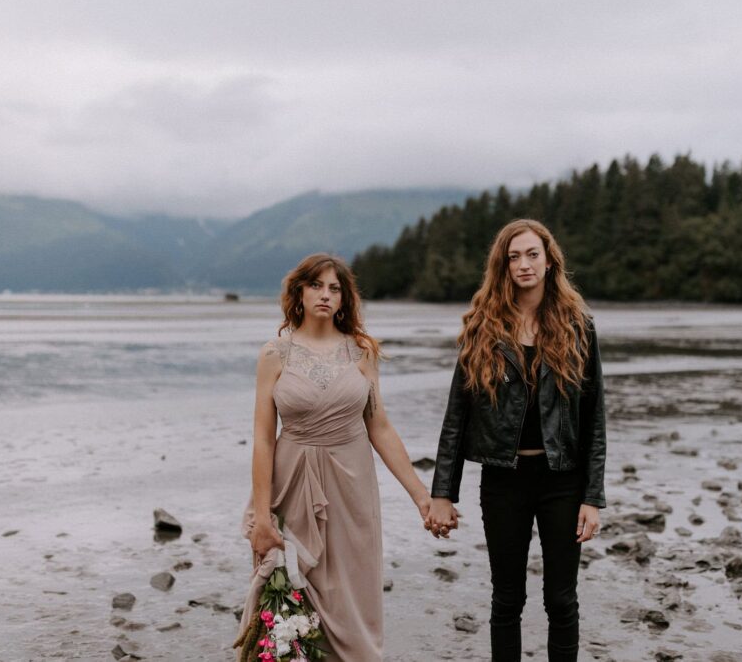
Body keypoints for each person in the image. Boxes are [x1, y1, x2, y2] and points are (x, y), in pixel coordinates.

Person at [425, 219, 607, 662]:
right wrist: (442, 494)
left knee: (561, 601)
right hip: (503, 480)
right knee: (507, 600)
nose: (523, 265)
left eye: (532, 255)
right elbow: (457, 415)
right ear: (502, 266)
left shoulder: (578, 325)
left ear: (549, 262)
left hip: (562, 480)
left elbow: (594, 417)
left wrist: (593, 496)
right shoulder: (483, 326)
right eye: (513, 257)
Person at [236, 253, 431, 662]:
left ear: (344, 299)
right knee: (287, 593)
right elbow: (262, 437)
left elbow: (379, 426)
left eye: (334, 288)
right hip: (291, 483)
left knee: (352, 594)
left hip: (352, 487)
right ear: (299, 293)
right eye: (316, 285)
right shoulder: (275, 354)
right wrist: (262, 513)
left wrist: (421, 496)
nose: (325, 294)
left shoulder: (362, 352)